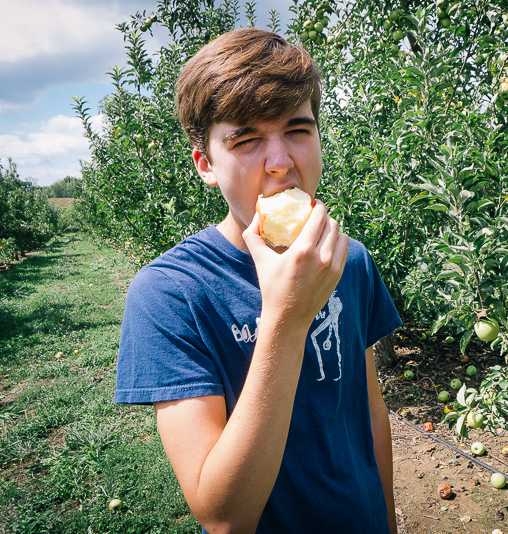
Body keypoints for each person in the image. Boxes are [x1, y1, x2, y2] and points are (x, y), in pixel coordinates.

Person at [114, 27, 401, 534]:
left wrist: (386, 517)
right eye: (246, 139)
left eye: (298, 129)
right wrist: (287, 318)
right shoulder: (171, 294)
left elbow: (370, 411)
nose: (281, 163)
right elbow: (225, 517)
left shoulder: (348, 260)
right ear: (206, 164)